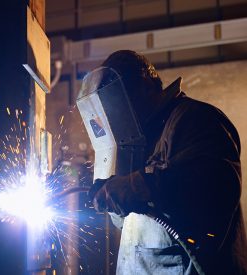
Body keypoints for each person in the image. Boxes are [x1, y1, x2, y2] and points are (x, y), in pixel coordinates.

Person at [87, 50, 247, 274]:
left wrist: (137, 186)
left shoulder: (194, 118)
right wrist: (112, 197)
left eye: (117, 102)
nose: (114, 116)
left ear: (144, 86)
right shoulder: (139, 139)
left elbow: (218, 187)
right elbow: (132, 222)